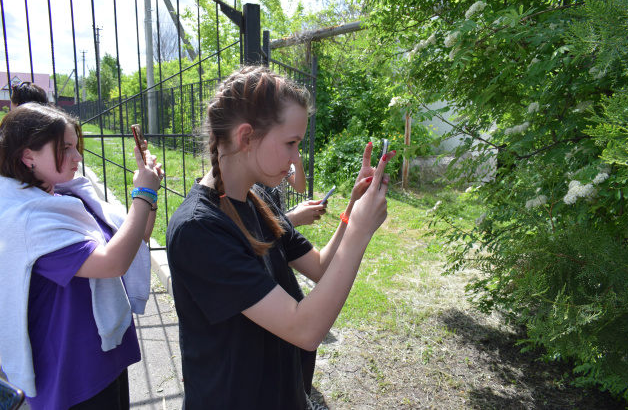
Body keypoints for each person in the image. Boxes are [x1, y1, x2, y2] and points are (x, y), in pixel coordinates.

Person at [166, 66, 395, 409]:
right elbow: (305, 329)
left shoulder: (258, 200)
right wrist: (360, 232)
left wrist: (352, 208)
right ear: (246, 137)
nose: (295, 159)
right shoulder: (198, 229)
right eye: (290, 143)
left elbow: (320, 266)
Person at [0, 103, 163, 409]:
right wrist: (144, 193)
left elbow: (135, 235)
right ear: (27, 156)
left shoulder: (65, 195)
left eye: (76, 146)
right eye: (65, 148)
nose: (78, 157)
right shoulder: (29, 220)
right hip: (73, 375)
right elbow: (113, 262)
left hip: (102, 352)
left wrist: (147, 191)